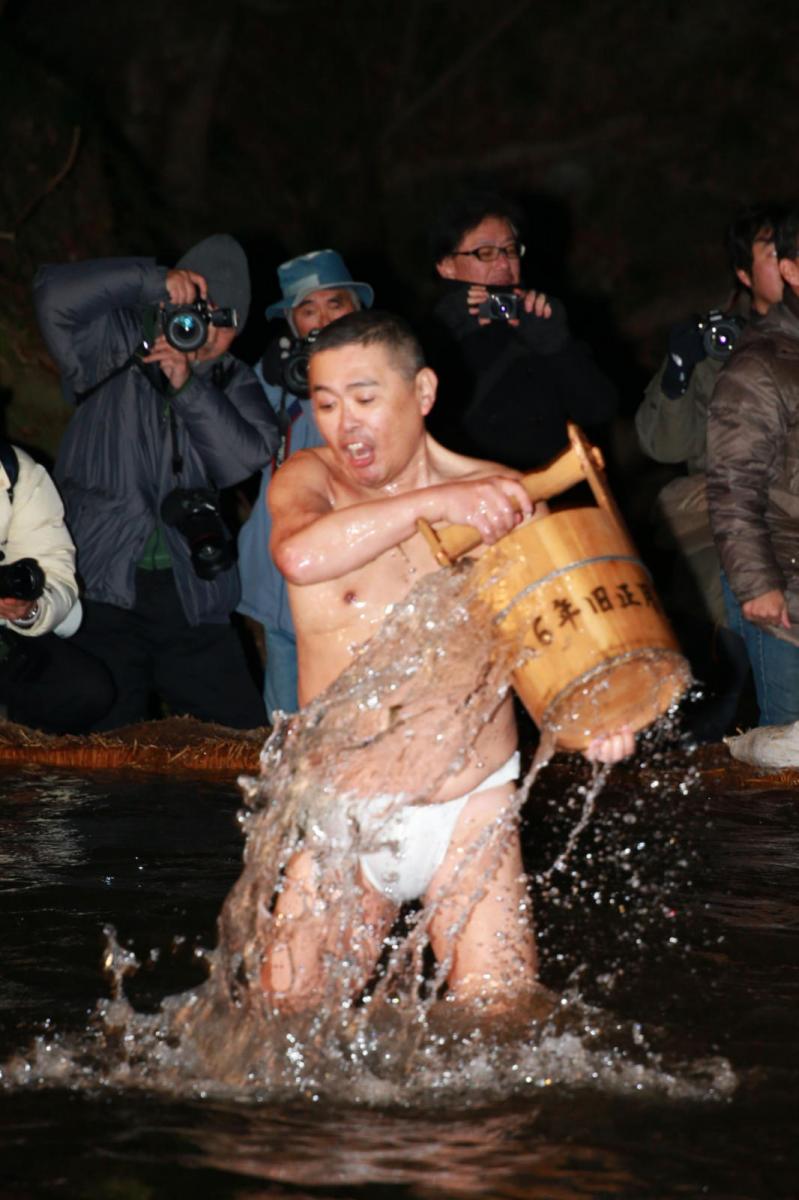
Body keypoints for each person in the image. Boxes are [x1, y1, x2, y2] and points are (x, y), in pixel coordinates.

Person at [259, 309, 634, 1009]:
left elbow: (549, 645)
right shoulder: (310, 479)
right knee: (282, 1029)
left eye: (364, 399)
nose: (344, 425)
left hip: (472, 802)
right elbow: (300, 555)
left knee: (500, 1022)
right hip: (348, 810)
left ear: (423, 392)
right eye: (326, 404)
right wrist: (435, 504)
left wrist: (596, 719)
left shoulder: (500, 497)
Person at [33, 234, 279, 731]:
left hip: (191, 589)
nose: (206, 330)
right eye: (197, 311)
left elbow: (245, 458)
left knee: (237, 740)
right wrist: (151, 280)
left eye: (223, 319)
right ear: (168, 303)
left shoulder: (233, 380)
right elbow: (51, 294)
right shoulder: (111, 343)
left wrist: (188, 387)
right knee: (105, 743)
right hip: (102, 578)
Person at [635, 204, 786, 739]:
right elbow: (662, 445)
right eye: (773, 252)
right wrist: (679, 369)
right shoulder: (715, 342)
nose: (788, 261)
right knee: (736, 618)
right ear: (744, 273)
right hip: (722, 513)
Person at [237, 249, 374, 720]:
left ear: (357, 309)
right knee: (283, 721)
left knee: (347, 716)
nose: (323, 319)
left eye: (335, 304)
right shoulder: (274, 375)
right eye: (308, 310)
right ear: (291, 322)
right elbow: (236, 449)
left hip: (349, 577)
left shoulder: (384, 371)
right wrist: (270, 385)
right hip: (279, 575)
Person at [424, 189, 618, 471]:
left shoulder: (540, 315)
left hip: (564, 486)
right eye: (485, 253)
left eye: (511, 250)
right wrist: (448, 332)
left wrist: (558, 345)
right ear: (446, 266)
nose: (504, 263)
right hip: (482, 491)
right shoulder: (426, 336)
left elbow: (600, 410)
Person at [707, 203, 799, 727]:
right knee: (790, 746)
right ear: (790, 270)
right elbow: (732, 484)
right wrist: (756, 583)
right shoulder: (760, 364)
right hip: (788, 586)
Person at [0, 439, 114, 733]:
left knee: (83, 690)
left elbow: (53, 571)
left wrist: (28, 609)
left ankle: (24, 753)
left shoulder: (12, 469)